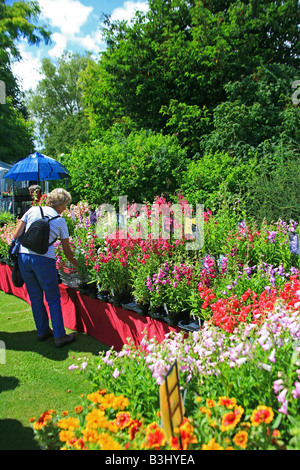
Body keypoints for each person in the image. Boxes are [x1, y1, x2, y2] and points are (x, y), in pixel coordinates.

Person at [12, 188, 78, 347]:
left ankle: (42, 331)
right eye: (65, 204)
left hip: (24, 257)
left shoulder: (33, 210)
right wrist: (79, 265)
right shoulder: (60, 221)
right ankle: (59, 336)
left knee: (35, 297)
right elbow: (67, 251)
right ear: (61, 204)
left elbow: (15, 236)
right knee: (53, 298)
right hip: (44, 260)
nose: (66, 208)